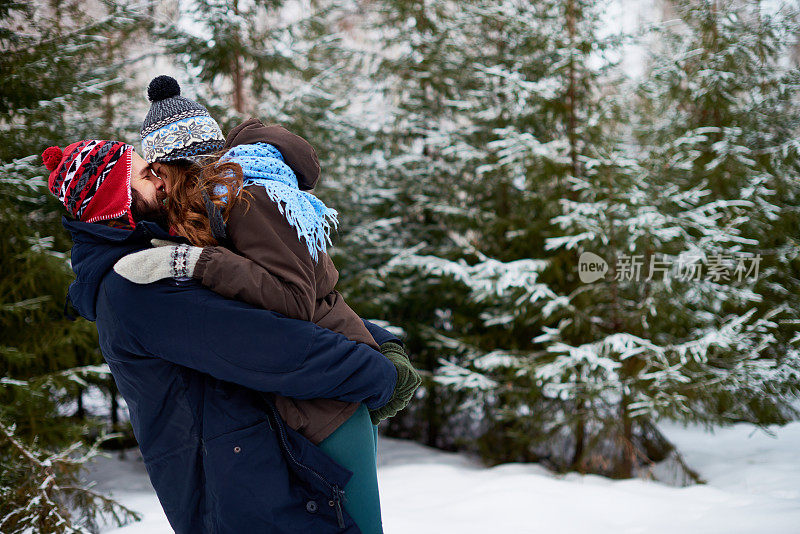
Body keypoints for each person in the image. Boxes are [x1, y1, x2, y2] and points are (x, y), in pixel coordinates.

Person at [42, 138, 420, 533]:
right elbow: (271, 346)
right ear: (115, 202)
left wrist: (378, 341)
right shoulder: (135, 286)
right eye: (144, 174)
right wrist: (380, 375)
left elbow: (278, 303)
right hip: (239, 493)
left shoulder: (161, 252)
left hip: (256, 473)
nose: (159, 179)